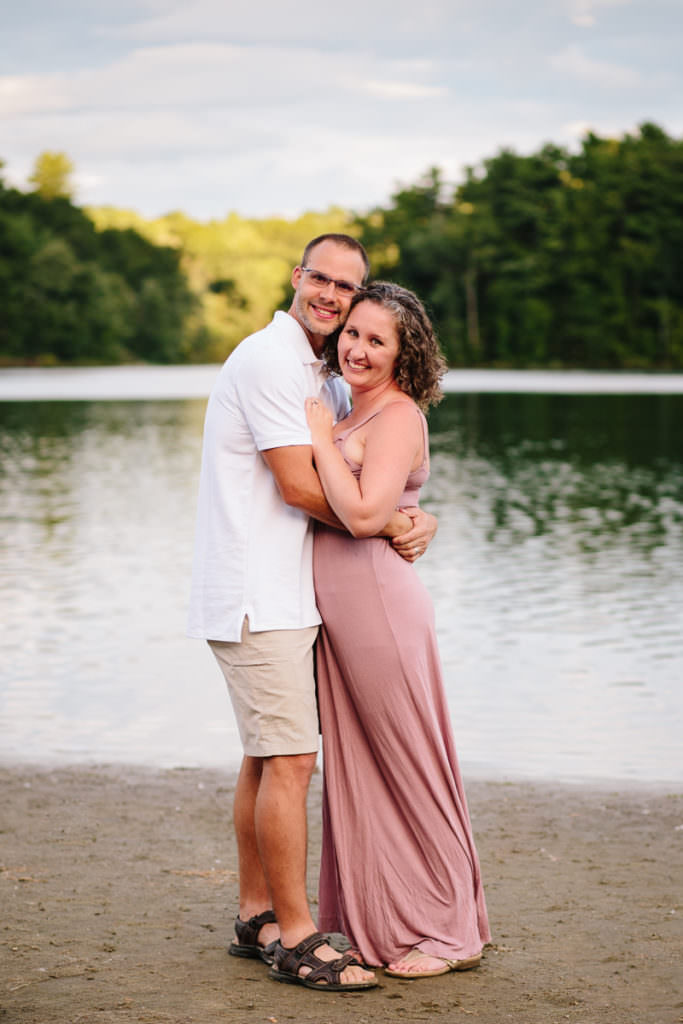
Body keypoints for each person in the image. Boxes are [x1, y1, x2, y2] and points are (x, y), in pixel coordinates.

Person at [187, 236, 437, 992]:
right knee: (291, 760)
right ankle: (296, 938)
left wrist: (413, 513)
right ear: (297, 278)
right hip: (257, 593)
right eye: (320, 280)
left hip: (289, 593)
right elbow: (299, 486)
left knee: (268, 756)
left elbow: (362, 470)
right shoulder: (270, 359)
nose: (330, 296)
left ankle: (256, 914)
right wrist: (387, 523)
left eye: (346, 288)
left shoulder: (320, 372)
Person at [305, 281, 491, 979]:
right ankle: (375, 917)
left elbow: (359, 515)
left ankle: (448, 933)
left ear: (403, 353)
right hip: (344, 612)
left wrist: (320, 442)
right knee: (362, 767)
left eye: (376, 340)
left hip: (378, 607)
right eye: (352, 332)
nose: (357, 347)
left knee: (411, 764)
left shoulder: (396, 416)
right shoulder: (353, 409)